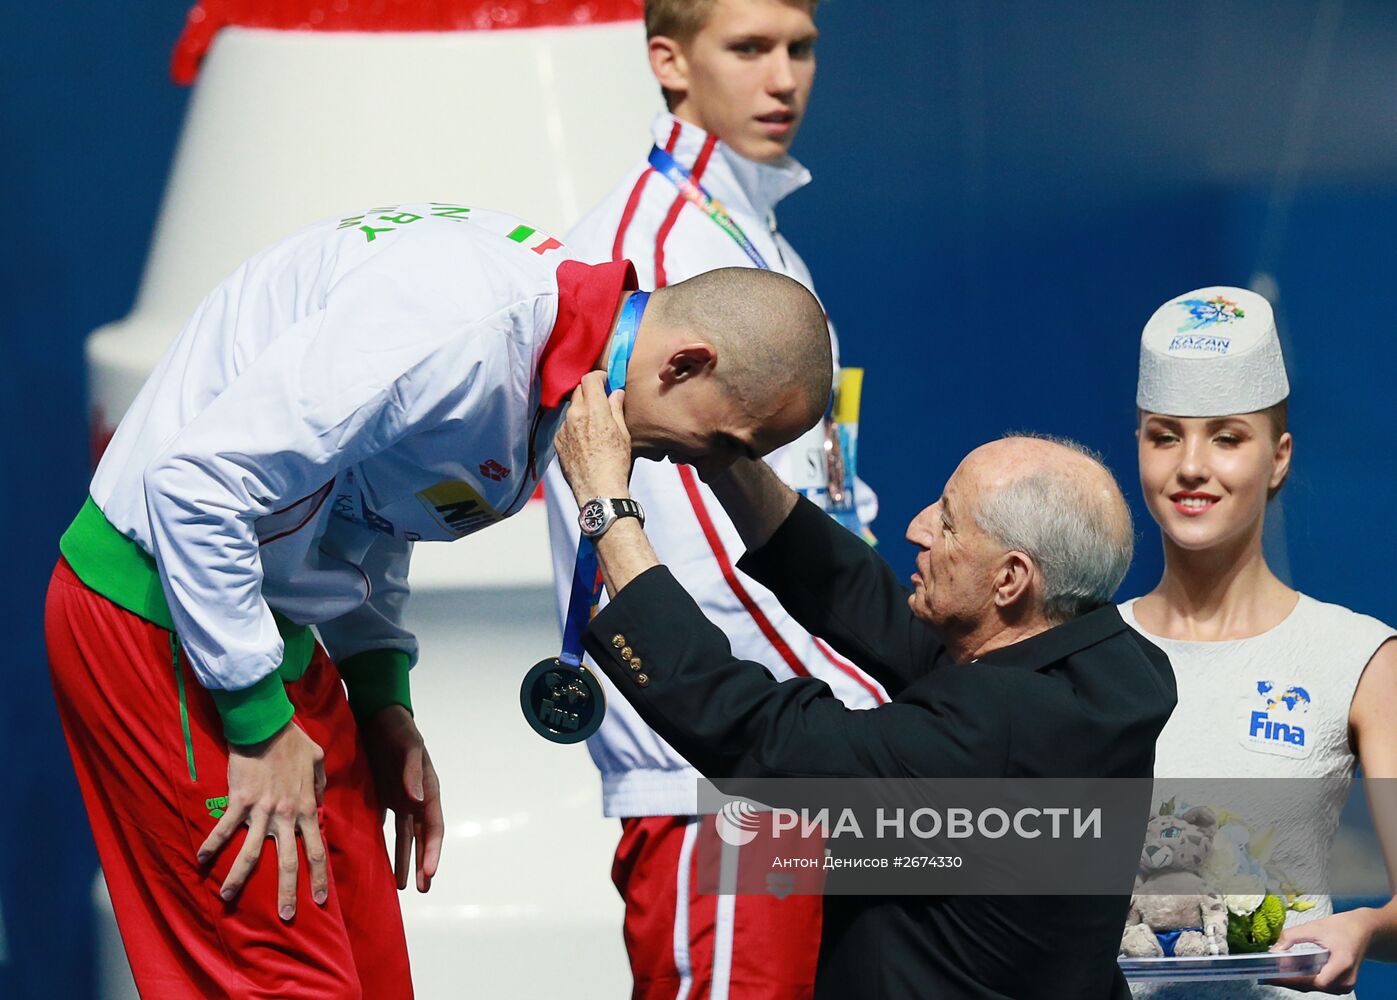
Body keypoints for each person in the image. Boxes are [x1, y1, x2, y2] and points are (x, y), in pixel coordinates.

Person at [43, 202, 833, 1000]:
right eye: (726, 442)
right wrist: (255, 720)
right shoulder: (462, 325)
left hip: (264, 629)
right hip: (168, 619)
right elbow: (196, 485)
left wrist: (380, 696)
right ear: (685, 362)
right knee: (285, 983)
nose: (701, 464)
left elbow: (368, 490)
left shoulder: (559, 346)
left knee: (376, 978)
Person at [547, 371, 1178, 999]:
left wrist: (607, 506)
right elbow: (864, 600)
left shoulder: (990, 735)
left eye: (950, 523)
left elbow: (753, 733)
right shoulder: (1100, 663)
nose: (918, 527)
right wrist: (722, 456)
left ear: (1010, 581)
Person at [542, 1, 883, 993]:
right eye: (748, 49)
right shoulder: (652, 251)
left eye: (800, 48)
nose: (782, 78)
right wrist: (860, 727)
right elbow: (688, 553)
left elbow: (815, 498)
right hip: (725, 776)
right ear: (668, 60)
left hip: (793, 750)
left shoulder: (748, 231)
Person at [1118, 286, 1397, 997]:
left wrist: (1360, 928)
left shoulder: (1357, 658)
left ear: (1277, 459)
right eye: (1163, 435)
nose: (1189, 466)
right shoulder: (1087, 650)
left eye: (1226, 437)